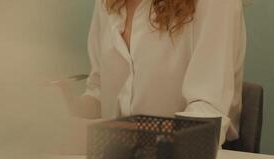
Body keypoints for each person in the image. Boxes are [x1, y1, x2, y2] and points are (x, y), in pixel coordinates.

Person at [59, 0, 246, 146]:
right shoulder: (105, 3)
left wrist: (113, 134)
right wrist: (65, 107)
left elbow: (206, 118)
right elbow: (101, 93)